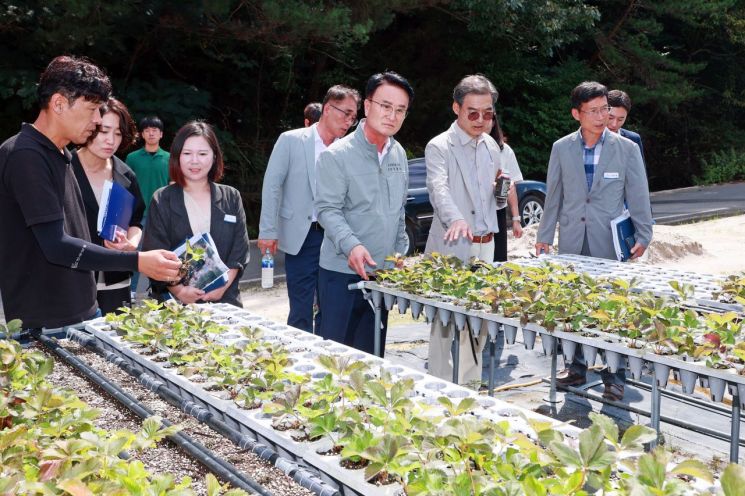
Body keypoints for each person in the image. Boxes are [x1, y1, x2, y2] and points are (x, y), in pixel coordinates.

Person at [0, 55, 181, 330]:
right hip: (46, 324)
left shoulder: (61, 153)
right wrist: (138, 261)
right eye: (92, 109)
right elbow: (56, 245)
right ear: (59, 103)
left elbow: (77, 234)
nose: (97, 120)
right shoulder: (26, 155)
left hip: (83, 311)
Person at [535, 81, 653, 401]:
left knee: (612, 310)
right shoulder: (561, 148)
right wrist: (544, 237)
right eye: (594, 111)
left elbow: (638, 194)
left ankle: (614, 377)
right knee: (571, 306)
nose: (602, 117)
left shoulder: (625, 149)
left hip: (609, 242)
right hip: (572, 239)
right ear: (577, 113)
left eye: (605, 109)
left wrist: (644, 234)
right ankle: (575, 368)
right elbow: (554, 194)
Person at [315, 71, 413, 355]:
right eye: (385, 106)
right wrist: (353, 246)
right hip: (340, 273)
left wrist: (399, 255)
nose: (392, 116)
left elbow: (398, 212)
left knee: (372, 357)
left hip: (381, 275)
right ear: (367, 106)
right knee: (335, 359)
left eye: (400, 110)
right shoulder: (337, 155)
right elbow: (327, 210)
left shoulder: (399, 155)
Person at [424, 74, 506, 385]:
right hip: (451, 243)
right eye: (473, 112)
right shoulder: (439, 146)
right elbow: (438, 189)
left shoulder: (491, 147)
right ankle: (439, 383)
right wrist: (456, 219)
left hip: (486, 244)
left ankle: (470, 381)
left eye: (488, 113)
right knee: (443, 319)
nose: (481, 120)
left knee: (480, 317)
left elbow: (493, 203)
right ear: (456, 108)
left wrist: (501, 191)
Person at [258, 86, 360, 332]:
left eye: (353, 117)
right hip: (303, 234)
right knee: (301, 305)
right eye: (345, 113)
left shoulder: (350, 149)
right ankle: (298, 354)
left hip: (336, 236)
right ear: (327, 109)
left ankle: (327, 354)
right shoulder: (292, 140)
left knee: (331, 302)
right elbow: (273, 185)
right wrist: (268, 230)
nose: (349, 122)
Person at [143, 121, 250, 307]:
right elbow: (155, 250)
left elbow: (239, 251)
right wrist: (179, 290)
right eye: (187, 153)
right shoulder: (162, 199)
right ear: (177, 156)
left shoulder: (231, 197)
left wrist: (223, 286)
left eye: (202, 154)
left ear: (214, 156)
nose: (195, 161)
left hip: (226, 302)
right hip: (175, 308)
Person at [71, 97, 146, 315]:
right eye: (104, 131)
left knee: (116, 342)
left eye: (118, 133)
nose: (110, 140)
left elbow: (136, 221)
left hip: (116, 278)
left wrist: (131, 244)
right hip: (74, 278)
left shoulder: (125, 175)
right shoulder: (65, 168)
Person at [488, 116, 524, 263]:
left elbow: (511, 185)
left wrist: (516, 219)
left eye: (488, 117)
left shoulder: (504, 150)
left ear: (494, 122)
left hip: (497, 212)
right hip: (471, 214)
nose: (482, 121)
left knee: (498, 261)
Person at [125, 116, 170, 219]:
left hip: (162, 214)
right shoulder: (132, 158)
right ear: (142, 135)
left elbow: (174, 186)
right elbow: (126, 186)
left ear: (161, 134)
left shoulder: (170, 158)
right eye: (147, 130)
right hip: (137, 213)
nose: (151, 133)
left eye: (154, 130)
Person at [607, 89, 645, 163]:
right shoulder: (587, 138)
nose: (614, 124)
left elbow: (640, 173)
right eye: (610, 118)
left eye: (620, 119)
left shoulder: (633, 139)